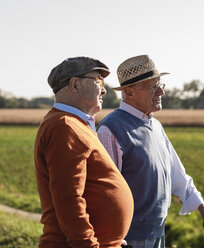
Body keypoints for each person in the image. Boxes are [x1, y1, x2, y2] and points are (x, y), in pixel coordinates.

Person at [97, 55, 204, 248]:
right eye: (153, 87)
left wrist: (201, 207)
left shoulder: (155, 126)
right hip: (127, 240)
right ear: (129, 92)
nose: (161, 91)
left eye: (161, 85)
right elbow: (104, 192)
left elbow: (176, 174)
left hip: (157, 232)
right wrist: (114, 237)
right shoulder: (110, 129)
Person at [34, 57, 134, 248]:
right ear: (76, 85)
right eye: (98, 81)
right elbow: (69, 199)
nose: (104, 90)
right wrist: (88, 244)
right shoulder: (64, 126)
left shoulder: (74, 124)